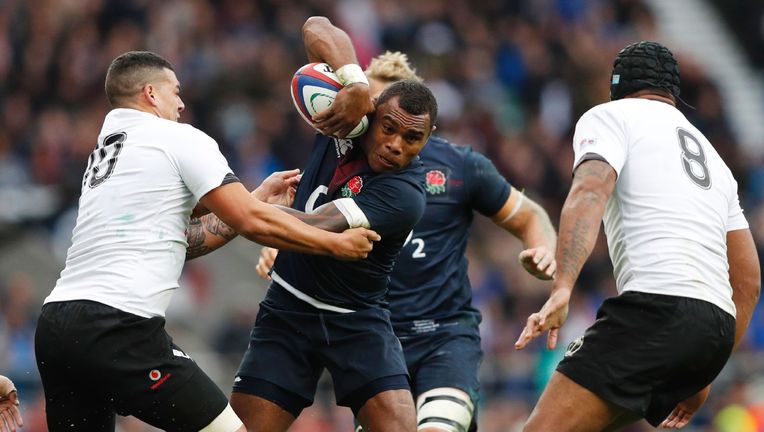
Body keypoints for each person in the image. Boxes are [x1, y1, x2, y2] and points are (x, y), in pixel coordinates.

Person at [34, 51, 379, 432]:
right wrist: (333, 244)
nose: (181, 103)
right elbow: (249, 221)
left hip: (56, 326)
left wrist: (255, 196)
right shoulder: (178, 138)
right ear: (151, 93)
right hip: (118, 324)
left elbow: (191, 238)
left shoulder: (108, 155)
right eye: (175, 91)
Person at [258, 45, 558, 431]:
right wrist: (279, 242)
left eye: (379, 111)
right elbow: (311, 221)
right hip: (376, 337)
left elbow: (531, 215)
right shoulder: (341, 152)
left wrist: (543, 250)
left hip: (443, 335)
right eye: (369, 111)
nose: (367, 123)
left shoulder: (460, 167)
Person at [514, 41, 761, 431]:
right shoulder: (714, 158)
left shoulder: (610, 116)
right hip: (713, 330)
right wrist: (706, 372)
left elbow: (590, 190)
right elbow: (747, 280)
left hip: (655, 311)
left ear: (616, 89)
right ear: (674, 96)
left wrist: (562, 287)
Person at [226, 20, 439, 431]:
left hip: (356, 320)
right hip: (288, 309)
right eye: (389, 128)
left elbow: (315, 226)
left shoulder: (406, 193)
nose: (395, 144)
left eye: (412, 139)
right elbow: (315, 27)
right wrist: (355, 84)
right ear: (373, 114)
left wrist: (238, 208)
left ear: (428, 140)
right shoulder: (345, 115)